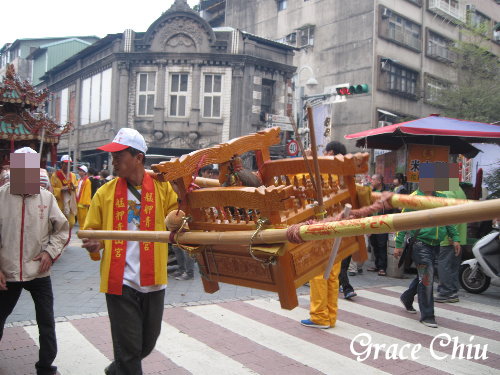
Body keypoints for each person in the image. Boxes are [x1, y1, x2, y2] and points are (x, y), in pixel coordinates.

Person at [81, 128, 177, 375]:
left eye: (118, 155)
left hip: (153, 279)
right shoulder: (105, 192)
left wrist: (182, 217)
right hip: (120, 280)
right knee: (130, 349)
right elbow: (93, 230)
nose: (113, 161)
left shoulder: (162, 188)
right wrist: (95, 244)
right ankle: (123, 367)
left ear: (138, 157)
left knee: (146, 343)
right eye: (112, 156)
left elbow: (177, 216)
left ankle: (117, 369)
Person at [0, 147, 69, 375]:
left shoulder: (46, 198)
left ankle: (46, 366)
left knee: (46, 322)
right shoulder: (1, 195)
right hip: (7, 271)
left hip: (39, 270)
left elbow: (62, 230)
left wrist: (50, 252)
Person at [300, 141, 353, 329]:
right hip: (340, 227)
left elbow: (303, 182)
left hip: (324, 226)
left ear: (330, 152)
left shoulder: (326, 171)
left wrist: (305, 160)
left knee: (319, 273)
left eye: (324, 151)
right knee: (332, 274)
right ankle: (330, 316)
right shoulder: (347, 172)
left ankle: (319, 316)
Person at [395, 187, 460, 328]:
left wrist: (455, 238)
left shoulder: (442, 197)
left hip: (436, 245)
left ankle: (406, 297)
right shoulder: (413, 198)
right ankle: (428, 316)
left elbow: (448, 219)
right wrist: (398, 244)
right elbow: (402, 221)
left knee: (424, 275)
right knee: (427, 277)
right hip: (420, 244)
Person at [435, 186, 467, 303]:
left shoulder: (447, 191)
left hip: (448, 237)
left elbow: (448, 214)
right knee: (453, 265)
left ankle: (446, 292)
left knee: (444, 265)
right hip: (459, 236)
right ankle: (452, 291)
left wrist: (451, 236)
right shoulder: (459, 190)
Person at [367, 174, 389, 276]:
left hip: (382, 222)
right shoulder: (371, 192)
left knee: (382, 245)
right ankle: (377, 265)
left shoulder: (386, 193)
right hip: (372, 222)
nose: (371, 181)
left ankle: (382, 267)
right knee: (374, 244)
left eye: (373, 179)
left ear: (379, 181)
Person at [50, 155, 77, 231]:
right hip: (60, 202)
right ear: (61, 164)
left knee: (71, 222)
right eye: (66, 164)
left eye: (70, 164)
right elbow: (52, 189)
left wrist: (73, 188)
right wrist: (60, 189)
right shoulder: (55, 175)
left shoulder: (73, 175)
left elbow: (75, 187)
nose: (68, 166)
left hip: (69, 202)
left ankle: (67, 238)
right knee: (59, 222)